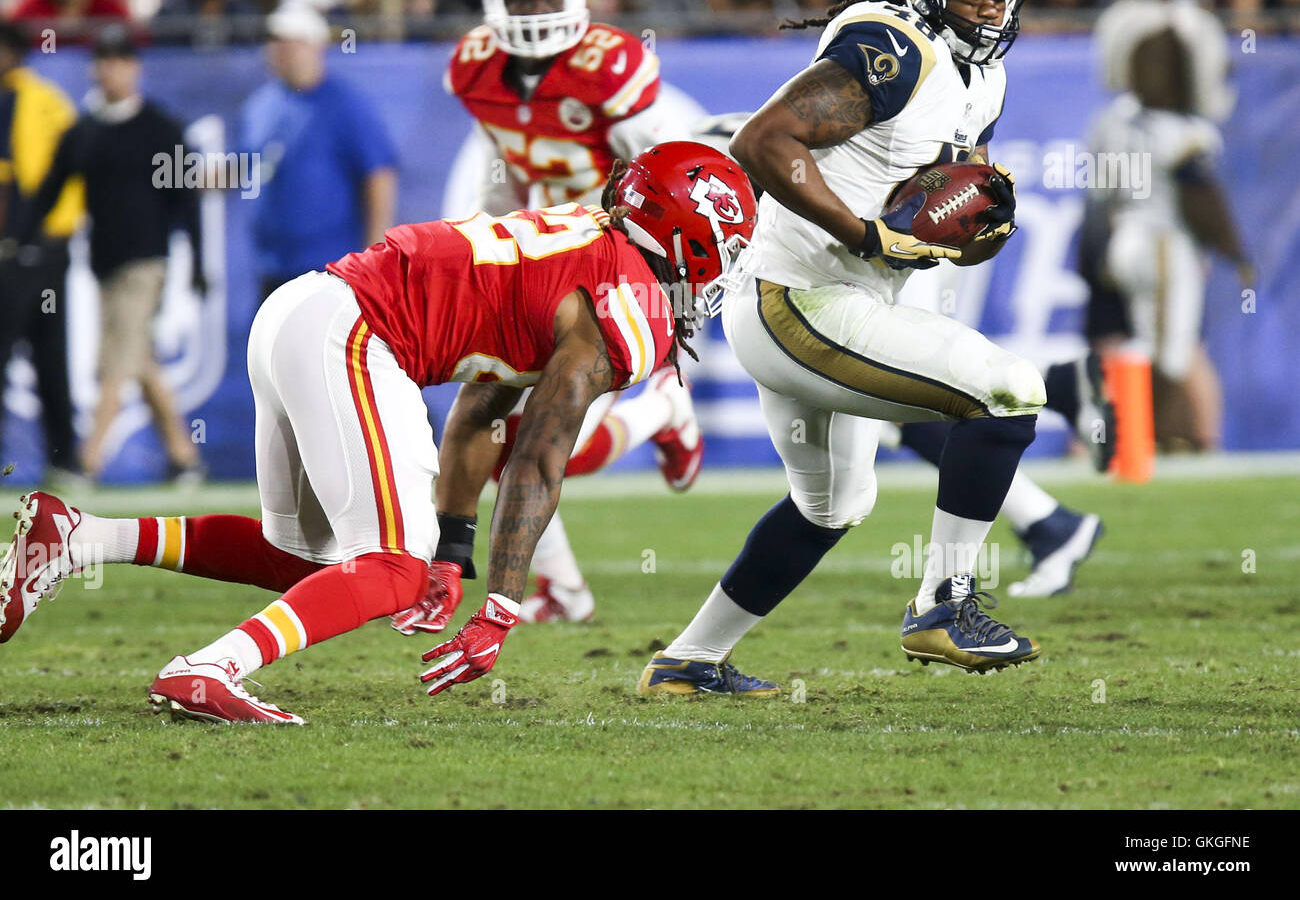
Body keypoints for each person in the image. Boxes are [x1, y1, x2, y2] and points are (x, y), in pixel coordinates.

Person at [0, 142, 756, 722]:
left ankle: (77, 537)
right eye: (721, 252)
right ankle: (209, 666)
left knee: (306, 561)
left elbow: (478, 410)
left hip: (304, 310)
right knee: (390, 565)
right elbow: (537, 456)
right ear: (683, 237)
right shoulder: (621, 305)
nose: (719, 274)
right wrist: (502, 607)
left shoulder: (595, 245)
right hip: (357, 332)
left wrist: (455, 556)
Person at [639, 0, 1046, 697]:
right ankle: (943, 602)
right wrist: (866, 236)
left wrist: (971, 235)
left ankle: (687, 660)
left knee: (831, 504)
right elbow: (764, 140)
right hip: (802, 296)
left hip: (841, 299)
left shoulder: (981, 74)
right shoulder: (893, 47)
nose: (991, 10)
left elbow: (935, 214)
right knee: (1008, 393)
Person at [691, 112, 1111, 599]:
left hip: (883, 255)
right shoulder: (737, 145)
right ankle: (1048, 501)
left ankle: (1036, 523)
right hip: (865, 259)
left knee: (904, 400)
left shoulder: (739, 154)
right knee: (892, 415)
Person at [420, 0, 700, 629]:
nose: (537, 12)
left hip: (612, 259)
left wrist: (663, 282)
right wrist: (489, 240)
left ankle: (662, 408)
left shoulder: (610, 67)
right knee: (507, 442)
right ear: (493, 2)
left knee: (556, 451)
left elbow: (658, 179)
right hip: (546, 252)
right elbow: (510, 168)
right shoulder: (475, 67)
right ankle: (566, 591)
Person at [9, 26, 205, 482]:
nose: (110, 69)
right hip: (103, 261)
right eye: (102, 60)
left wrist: (198, 261)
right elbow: (49, 191)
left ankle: (87, 461)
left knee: (115, 360)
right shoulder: (85, 131)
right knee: (139, 360)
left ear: (134, 67)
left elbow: (187, 202)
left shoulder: (160, 128)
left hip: (147, 261)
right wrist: (19, 236)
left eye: (119, 60)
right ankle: (183, 457)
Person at [1088, 12, 1250, 450]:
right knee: (1165, 350)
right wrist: (1236, 252)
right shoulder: (1183, 131)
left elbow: (1099, 197)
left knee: (1152, 342)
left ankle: (1156, 434)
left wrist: (1098, 252)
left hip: (1123, 235)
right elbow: (1201, 198)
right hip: (1162, 241)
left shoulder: (1112, 121)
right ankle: (1123, 435)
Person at [238, 4, 398, 301]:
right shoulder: (260, 105)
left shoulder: (348, 105)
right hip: (272, 264)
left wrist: (374, 255)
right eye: (275, 42)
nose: (281, 50)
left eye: (291, 42)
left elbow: (379, 175)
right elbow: (248, 165)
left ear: (315, 45)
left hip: (330, 266)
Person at [0, 20, 80, 481]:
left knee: (49, 354)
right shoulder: (43, 101)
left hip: (37, 252)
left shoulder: (42, 101)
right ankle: (60, 458)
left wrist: (50, 233)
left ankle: (63, 458)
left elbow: (68, 172)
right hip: (19, 250)